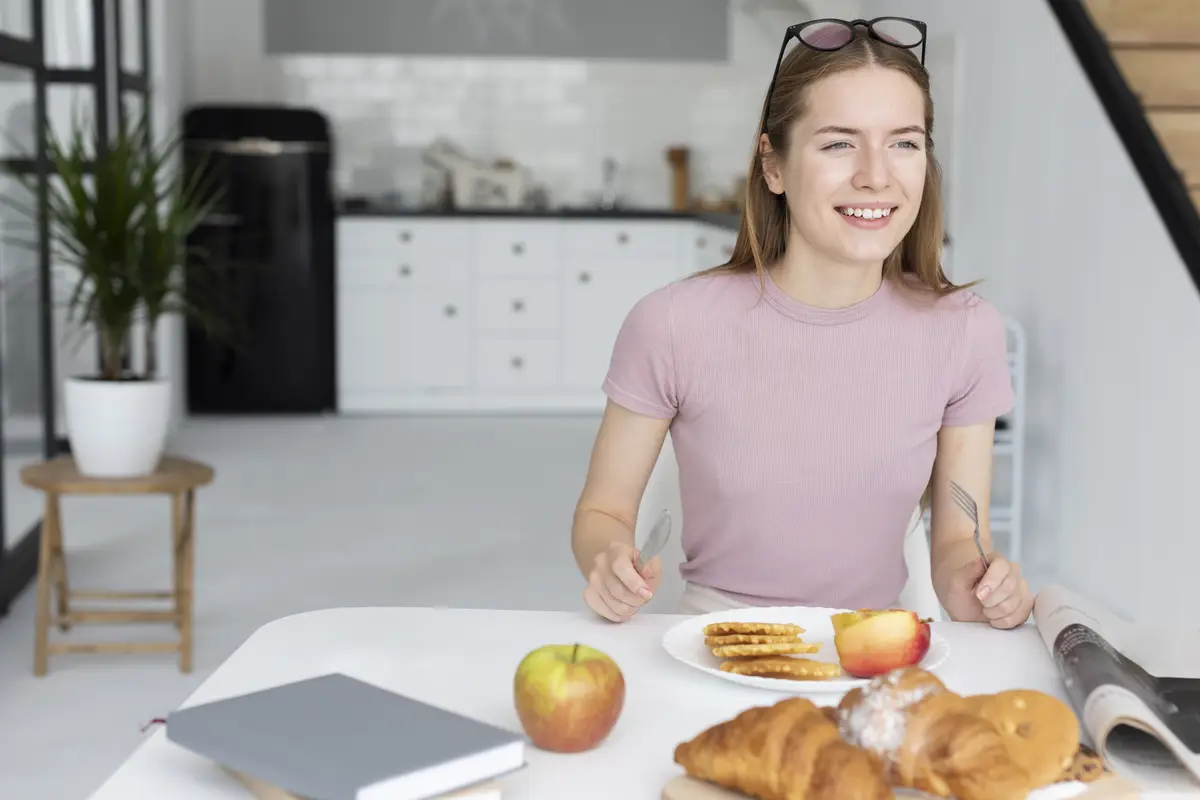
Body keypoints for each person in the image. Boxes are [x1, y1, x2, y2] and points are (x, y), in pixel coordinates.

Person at [569, 17, 1035, 630]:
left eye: (904, 142)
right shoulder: (671, 324)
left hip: (873, 652)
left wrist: (980, 586)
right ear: (774, 166)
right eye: (839, 143)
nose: (876, 174)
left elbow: (958, 543)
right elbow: (602, 512)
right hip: (715, 646)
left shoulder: (966, 332)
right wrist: (608, 561)